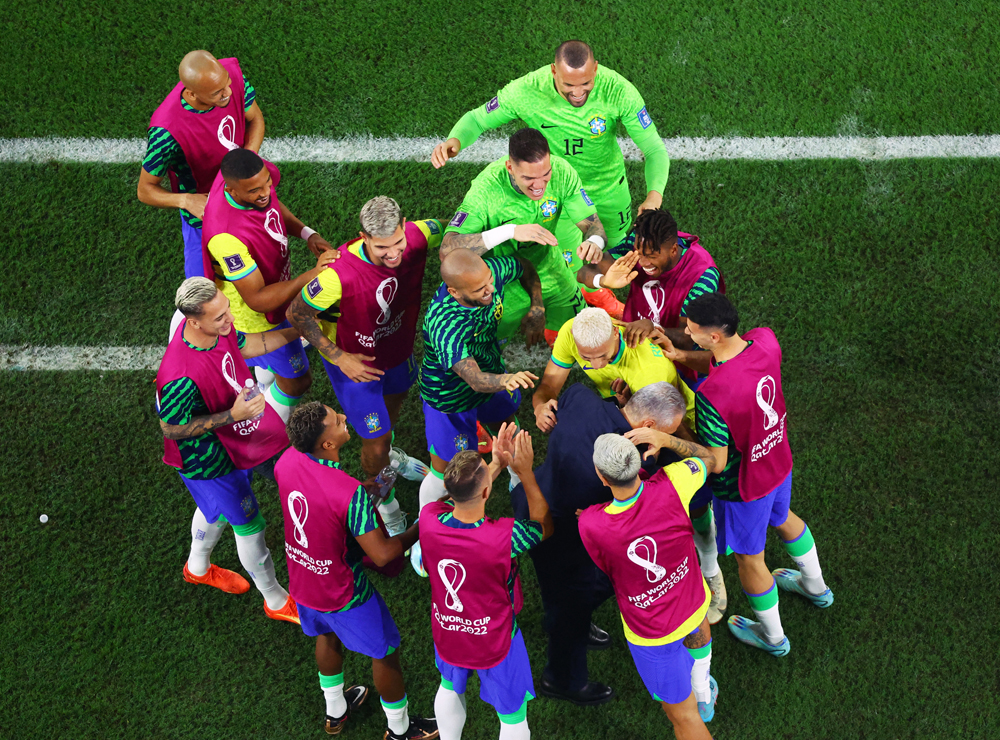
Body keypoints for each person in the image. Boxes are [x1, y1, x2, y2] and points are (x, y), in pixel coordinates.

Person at [432, 40, 670, 316]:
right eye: (569, 86)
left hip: (609, 191)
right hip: (558, 192)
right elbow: (477, 119)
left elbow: (653, 148)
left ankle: (598, 289)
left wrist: (654, 194)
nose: (578, 93)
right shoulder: (526, 91)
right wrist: (456, 140)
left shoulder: (619, 91)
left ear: (596, 68)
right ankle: (588, 297)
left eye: (586, 84)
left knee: (612, 250)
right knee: (571, 258)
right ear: (553, 72)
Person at [510, 381, 703, 704]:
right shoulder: (638, 459)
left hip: (533, 501)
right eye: (663, 433)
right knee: (576, 601)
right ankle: (561, 680)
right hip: (566, 534)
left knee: (559, 590)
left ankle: (564, 619)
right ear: (649, 427)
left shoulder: (581, 396)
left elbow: (561, 403)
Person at [532, 307, 726, 623]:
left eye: (603, 357)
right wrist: (541, 405)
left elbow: (676, 429)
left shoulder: (650, 368)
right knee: (656, 510)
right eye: (587, 358)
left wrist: (678, 447)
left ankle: (710, 568)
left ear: (616, 335)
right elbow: (549, 386)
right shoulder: (573, 331)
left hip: (676, 426)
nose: (595, 365)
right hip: (629, 420)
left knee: (697, 505)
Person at [275, 402, 439, 740]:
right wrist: (424, 524)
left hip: (303, 581)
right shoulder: (347, 493)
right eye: (337, 421)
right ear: (328, 445)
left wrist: (374, 490)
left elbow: (321, 502)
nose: (345, 418)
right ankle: (400, 730)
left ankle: (335, 711)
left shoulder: (287, 460)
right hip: (343, 593)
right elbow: (382, 554)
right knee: (385, 653)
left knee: (326, 634)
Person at [685, 292, 834, 657]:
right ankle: (816, 588)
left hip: (744, 488)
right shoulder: (766, 340)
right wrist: (684, 357)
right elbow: (734, 364)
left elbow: (716, 462)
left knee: (750, 559)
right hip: (778, 461)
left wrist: (669, 438)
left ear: (713, 336)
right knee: (783, 518)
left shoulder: (712, 395)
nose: (687, 332)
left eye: (692, 329)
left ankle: (772, 638)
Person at [288, 196, 440, 535]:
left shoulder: (420, 233)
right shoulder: (336, 275)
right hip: (356, 369)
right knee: (374, 439)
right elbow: (296, 313)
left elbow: (448, 228)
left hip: (398, 351)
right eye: (381, 247)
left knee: (395, 406)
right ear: (363, 237)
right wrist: (338, 357)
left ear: (405, 227)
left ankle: (391, 457)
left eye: (398, 242)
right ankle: (386, 504)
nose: (393, 253)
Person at [155, 277, 299, 625]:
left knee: (215, 510)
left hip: (234, 439)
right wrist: (232, 415)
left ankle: (197, 567)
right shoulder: (178, 374)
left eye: (226, 309)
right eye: (219, 317)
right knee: (250, 524)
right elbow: (171, 428)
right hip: (208, 460)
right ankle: (275, 600)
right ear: (194, 321)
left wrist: (302, 332)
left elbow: (248, 344)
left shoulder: (215, 331)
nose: (229, 319)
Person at [414, 250, 544, 574]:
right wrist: (505, 379)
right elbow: (472, 379)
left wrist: (537, 305)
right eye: (480, 291)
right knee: (446, 470)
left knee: (506, 426)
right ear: (456, 292)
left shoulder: (487, 274)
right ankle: (423, 533)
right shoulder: (443, 323)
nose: (489, 291)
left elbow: (524, 265)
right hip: (450, 397)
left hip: (494, 378)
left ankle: (515, 475)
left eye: (489, 283)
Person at [580, 433, 719, 736]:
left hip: (653, 634)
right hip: (694, 602)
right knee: (697, 634)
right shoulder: (674, 482)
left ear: (602, 478)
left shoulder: (591, 523)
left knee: (685, 719)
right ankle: (703, 691)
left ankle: (700, 700)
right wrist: (664, 439)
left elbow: (605, 566)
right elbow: (711, 459)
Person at [423, 425, 553, 740]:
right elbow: (543, 525)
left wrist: (494, 464)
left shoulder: (428, 518)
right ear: (486, 492)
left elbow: (456, 497)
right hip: (495, 638)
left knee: (450, 685)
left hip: (449, 630)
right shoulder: (505, 536)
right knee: (512, 717)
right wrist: (525, 473)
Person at [202, 147, 337, 422]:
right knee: (298, 382)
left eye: (267, 183)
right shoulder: (226, 236)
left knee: (272, 365)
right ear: (232, 190)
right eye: (254, 191)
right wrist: (309, 275)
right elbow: (258, 299)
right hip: (256, 318)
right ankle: (264, 432)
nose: (264, 192)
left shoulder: (254, 183)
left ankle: (263, 380)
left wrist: (307, 233)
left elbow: (272, 205)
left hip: (271, 291)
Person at [439, 127, 605, 346]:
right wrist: (510, 231)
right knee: (487, 347)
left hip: (551, 266)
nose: (539, 186)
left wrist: (594, 242)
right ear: (510, 167)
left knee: (584, 333)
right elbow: (447, 249)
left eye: (545, 175)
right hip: (503, 280)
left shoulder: (562, 172)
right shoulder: (486, 190)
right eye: (528, 178)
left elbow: (593, 224)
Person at [139, 50, 265, 277]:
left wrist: (246, 163)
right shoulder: (166, 132)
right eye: (218, 93)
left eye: (227, 84)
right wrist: (187, 200)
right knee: (204, 293)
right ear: (192, 94)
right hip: (204, 214)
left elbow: (255, 118)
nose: (228, 93)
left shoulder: (231, 76)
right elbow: (145, 190)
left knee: (262, 271)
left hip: (242, 196)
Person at [579, 209, 723, 381]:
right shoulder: (640, 243)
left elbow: (689, 338)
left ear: (673, 250)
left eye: (651, 257)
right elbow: (584, 273)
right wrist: (604, 281)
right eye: (639, 254)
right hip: (637, 339)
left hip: (679, 360)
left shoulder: (702, 277)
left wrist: (653, 329)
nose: (643, 263)